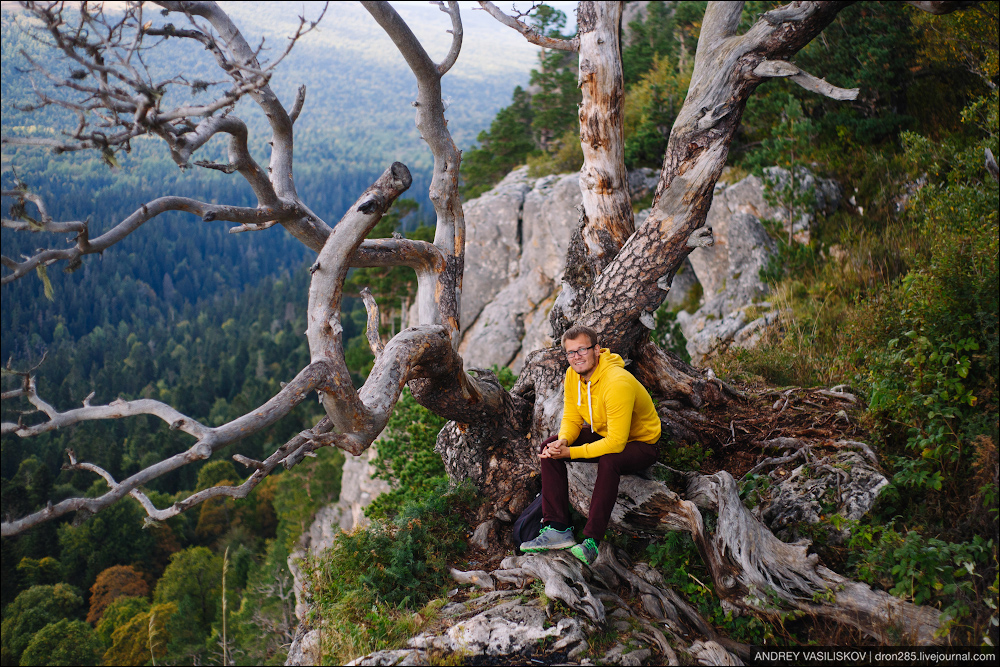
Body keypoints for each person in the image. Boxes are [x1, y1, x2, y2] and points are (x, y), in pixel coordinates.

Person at [520, 325, 661, 565]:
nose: (576, 357)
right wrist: (563, 441)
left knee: (609, 460)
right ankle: (557, 529)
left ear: (596, 350)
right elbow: (572, 418)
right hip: (605, 433)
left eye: (582, 350)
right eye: (571, 352)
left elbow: (616, 444)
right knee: (550, 447)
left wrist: (572, 452)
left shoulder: (617, 382)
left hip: (641, 443)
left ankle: (592, 541)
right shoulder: (572, 375)